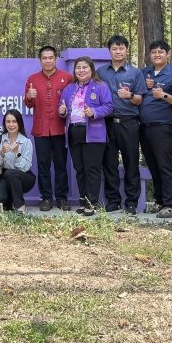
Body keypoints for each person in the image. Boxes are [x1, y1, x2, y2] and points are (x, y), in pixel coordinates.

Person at [59, 57, 113, 217]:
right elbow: (62, 107)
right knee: (80, 169)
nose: (81, 70)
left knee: (92, 169)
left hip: (93, 133)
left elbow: (109, 106)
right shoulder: (69, 88)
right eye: (78, 67)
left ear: (91, 70)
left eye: (85, 67)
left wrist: (94, 112)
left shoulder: (101, 86)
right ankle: (83, 202)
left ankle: (91, 203)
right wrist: (62, 111)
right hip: (73, 132)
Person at [138, 40, 172, 218]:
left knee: (164, 165)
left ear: (168, 54)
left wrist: (164, 95)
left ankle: (169, 204)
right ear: (149, 55)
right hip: (144, 127)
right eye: (154, 52)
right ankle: (159, 201)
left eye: (161, 52)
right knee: (152, 164)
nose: (157, 55)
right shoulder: (144, 73)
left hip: (164, 127)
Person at [96, 35, 144, 213]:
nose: (118, 51)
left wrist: (129, 95)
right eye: (114, 48)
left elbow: (139, 100)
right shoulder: (100, 72)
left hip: (129, 123)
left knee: (131, 162)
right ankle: (113, 200)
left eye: (121, 48)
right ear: (109, 51)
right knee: (109, 163)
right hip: (106, 123)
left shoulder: (135, 72)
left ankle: (131, 202)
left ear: (126, 50)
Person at [23, 45, 72, 211]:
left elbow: (74, 101)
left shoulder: (67, 78)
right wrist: (29, 97)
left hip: (60, 129)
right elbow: (28, 104)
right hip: (41, 129)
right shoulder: (32, 79)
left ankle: (62, 198)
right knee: (43, 166)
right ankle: (46, 198)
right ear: (40, 60)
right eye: (44, 58)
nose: (48, 61)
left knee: (61, 165)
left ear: (56, 59)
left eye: (51, 57)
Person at [0, 109, 36, 211]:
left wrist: (17, 153)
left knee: (10, 173)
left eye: (14, 121)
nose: (11, 125)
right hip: (5, 176)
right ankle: (10, 201)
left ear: (19, 123)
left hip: (23, 177)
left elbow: (25, 167)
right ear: (4, 123)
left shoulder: (26, 142)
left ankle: (20, 206)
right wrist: (2, 152)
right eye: (8, 122)